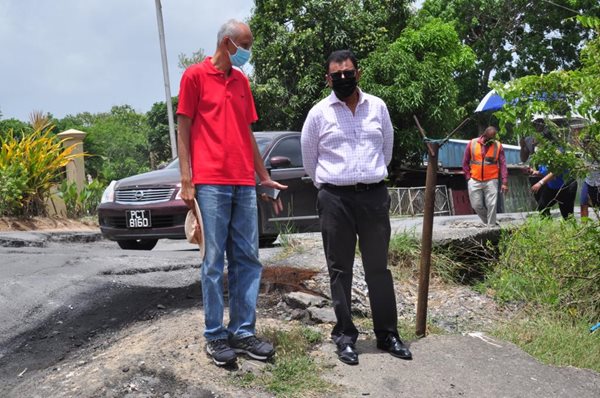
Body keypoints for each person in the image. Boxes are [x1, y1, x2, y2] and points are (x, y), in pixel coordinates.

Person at [176, 19, 286, 367]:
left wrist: (263, 176)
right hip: (209, 182)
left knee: (248, 258)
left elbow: (247, 132)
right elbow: (183, 127)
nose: (248, 52)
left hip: (243, 182)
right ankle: (214, 335)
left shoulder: (241, 81)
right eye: (246, 45)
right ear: (228, 43)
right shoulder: (194, 76)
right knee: (212, 261)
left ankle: (242, 331)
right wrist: (186, 178)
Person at [301, 49, 411, 366]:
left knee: (379, 268)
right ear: (328, 79)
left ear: (358, 74)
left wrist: (366, 178)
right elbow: (310, 161)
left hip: (374, 196)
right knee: (340, 270)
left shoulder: (377, 107)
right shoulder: (319, 114)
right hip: (335, 199)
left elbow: (386, 151)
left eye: (349, 73)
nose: (344, 79)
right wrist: (334, 185)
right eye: (337, 76)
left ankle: (388, 334)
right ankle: (346, 337)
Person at [462, 126, 509, 226]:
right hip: (474, 179)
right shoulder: (472, 143)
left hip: (491, 179)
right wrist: (468, 177)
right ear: (484, 135)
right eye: (490, 137)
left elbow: (503, 164)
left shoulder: (498, 146)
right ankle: (489, 222)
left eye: (494, 137)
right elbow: (465, 162)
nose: (492, 140)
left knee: (492, 204)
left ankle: (491, 227)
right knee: (476, 205)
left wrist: (504, 182)